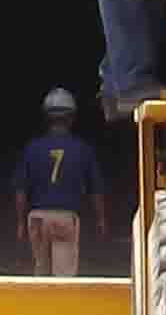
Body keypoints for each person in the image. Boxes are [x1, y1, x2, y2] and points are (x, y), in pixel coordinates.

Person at [13, 86, 107, 275]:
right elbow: (96, 190)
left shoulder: (32, 148)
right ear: (72, 117)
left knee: (41, 272)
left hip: (37, 217)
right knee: (63, 278)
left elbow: (21, 190)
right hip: (66, 217)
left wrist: (21, 222)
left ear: (46, 117)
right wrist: (101, 219)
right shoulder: (82, 149)